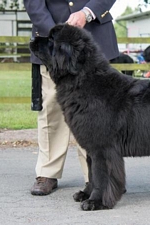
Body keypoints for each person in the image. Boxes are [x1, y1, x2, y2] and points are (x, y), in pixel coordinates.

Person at [24, 0, 119, 195]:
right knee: (51, 107)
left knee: (98, 112)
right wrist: (57, 36)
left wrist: (87, 13)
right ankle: (47, 172)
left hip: (95, 36)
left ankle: (98, 176)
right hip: (50, 38)